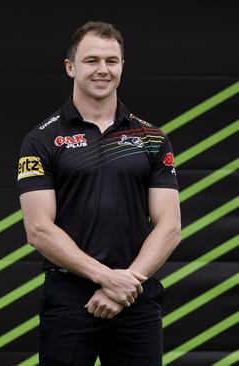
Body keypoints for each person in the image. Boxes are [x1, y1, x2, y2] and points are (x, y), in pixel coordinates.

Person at [17, 21, 181, 365]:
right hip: (69, 299)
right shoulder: (41, 139)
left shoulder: (151, 137)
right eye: (92, 60)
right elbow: (38, 230)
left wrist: (123, 288)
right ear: (70, 67)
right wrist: (106, 279)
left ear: (122, 66)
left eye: (112, 60)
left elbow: (169, 227)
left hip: (136, 296)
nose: (102, 70)